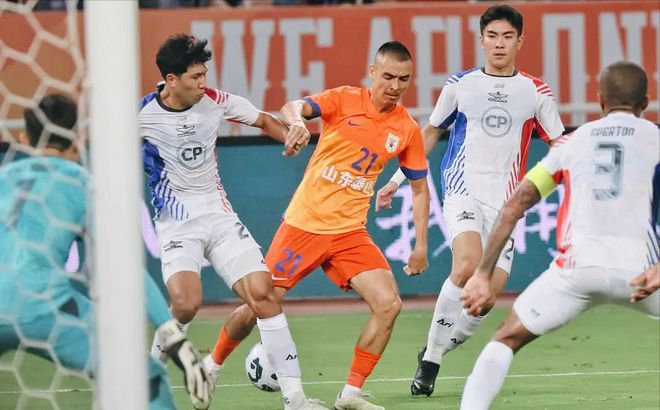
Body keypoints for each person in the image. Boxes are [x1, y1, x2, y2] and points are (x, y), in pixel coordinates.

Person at [203, 40, 430, 410]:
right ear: (373, 72)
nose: (395, 85)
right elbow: (294, 106)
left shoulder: (406, 128)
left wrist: (420, 245)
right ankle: (211, 366)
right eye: (388, 76)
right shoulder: (344, 100)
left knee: (389, 304)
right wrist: (296, 123)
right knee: (260, 304)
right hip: (304, 225)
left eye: (403, 79)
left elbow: (419, 188)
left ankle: (350, 394)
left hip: (350, 232)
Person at [375, 4, 564, 396]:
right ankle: (432, 362)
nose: (499, 44)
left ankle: (435, 346)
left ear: (519, 42)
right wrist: (396, 179)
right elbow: (429, 133)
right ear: (481, 40)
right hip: (462, 189)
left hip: (507, 203)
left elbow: (560, 146)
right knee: (464, 267)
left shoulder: (537, 92)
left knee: (485, 299)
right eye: (492, 36)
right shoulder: (461, 85)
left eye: (507, 36)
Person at [140, 34, 326, 410]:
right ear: (171, 80)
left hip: (219, 216)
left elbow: (264, 120)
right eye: (195, 76)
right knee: (185, 304)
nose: (203, 82)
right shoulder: (143, 116)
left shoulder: (216, 101)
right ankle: (146, 378)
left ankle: (296, 399)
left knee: (264, 295)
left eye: (204, 74)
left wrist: (290, 137)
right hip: (177, 224)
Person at [460, 61, 660, 410]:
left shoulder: (572, 142)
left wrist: (482, 274)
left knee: (506, 337)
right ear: (646, 101)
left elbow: (514, 206)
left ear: (599, 100)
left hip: (578, 269)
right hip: (643, 272)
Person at [0, 94, 210, 409]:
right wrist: (172, 335)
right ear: (77, 138)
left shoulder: (4, 178)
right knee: (146, 377)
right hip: (42, 305)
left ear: (24, 139)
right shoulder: (82, 183)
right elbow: (123, 266)